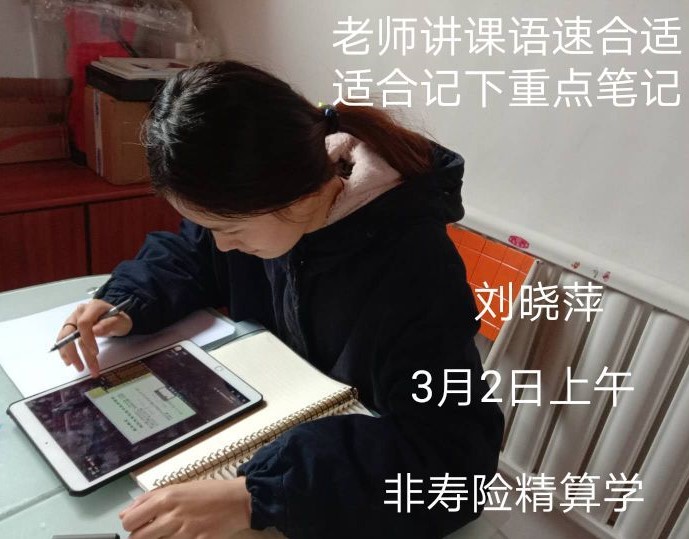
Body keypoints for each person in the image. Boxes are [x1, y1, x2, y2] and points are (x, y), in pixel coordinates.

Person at [56, 60, 504, 539]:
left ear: (295, 197)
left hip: (347, 487)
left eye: (230, 229)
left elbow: (454, 463)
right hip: (282, 427)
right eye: (212, 226)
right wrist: (126, 300)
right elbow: (194, 251)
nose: (223, 244)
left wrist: (264, 493)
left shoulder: (414, 271)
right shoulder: (271, 208)